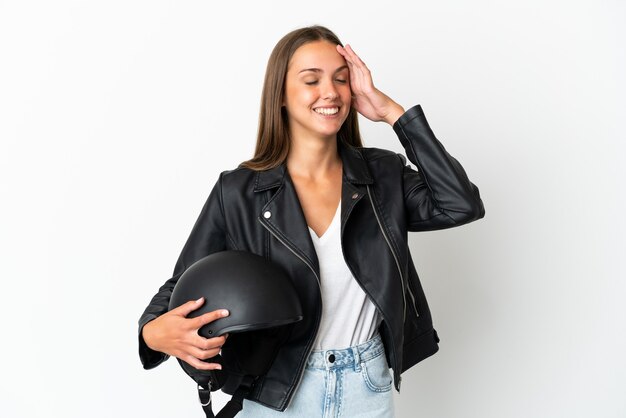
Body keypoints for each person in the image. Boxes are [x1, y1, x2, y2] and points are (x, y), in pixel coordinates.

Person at [138, 25, 485, 417]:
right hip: (278, 392)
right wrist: (152, 332)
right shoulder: (237, 191)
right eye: (311, 80)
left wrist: (392, 113)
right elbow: (182, 283)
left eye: (341, 79)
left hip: (366, 386)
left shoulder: (383, 176)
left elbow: (459, 204)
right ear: (281, 96)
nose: (330, 92)